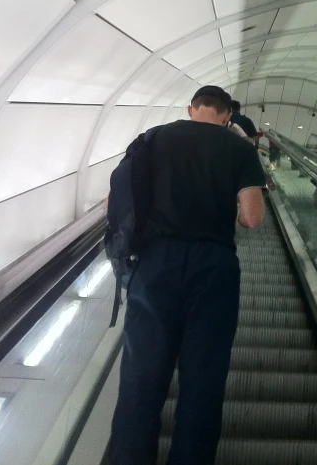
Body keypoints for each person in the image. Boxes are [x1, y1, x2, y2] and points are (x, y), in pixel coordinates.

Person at [110, 85, 266, 465]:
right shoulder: (240, 149)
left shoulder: (153, 139)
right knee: (203, 382)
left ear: (191, 108)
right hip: (213, 267)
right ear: (228, 115)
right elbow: (252, 217)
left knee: (140, 380)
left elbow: (122, 197)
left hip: (154, 265)